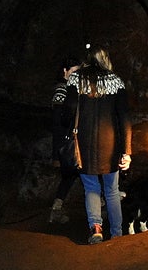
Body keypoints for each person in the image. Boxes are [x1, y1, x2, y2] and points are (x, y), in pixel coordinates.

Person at [65, 47, 132, 243]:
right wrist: (127, 151)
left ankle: (96, 228)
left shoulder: (76, 79)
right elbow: (124, 118)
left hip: (84, 144)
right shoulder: (115, 81)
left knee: (91, 187)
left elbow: (69, 110)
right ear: (106, 59)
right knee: (111, 190)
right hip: (110, 145)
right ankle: (117, 233)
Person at [49, 56, 82, 224]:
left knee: (70, 177)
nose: (76, 75)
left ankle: (56, 210)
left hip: (67, 142)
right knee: (80, 173)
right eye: (74, 71)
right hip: (66, 143)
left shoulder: (70, 89)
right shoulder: (62, 90)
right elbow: (58, 121)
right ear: (65, 71)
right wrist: (57, 152)